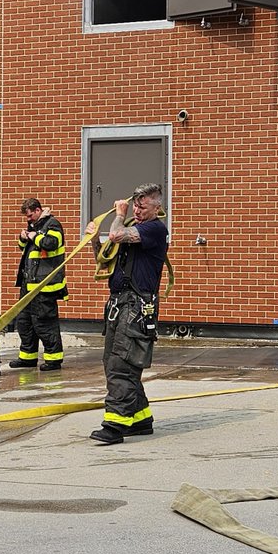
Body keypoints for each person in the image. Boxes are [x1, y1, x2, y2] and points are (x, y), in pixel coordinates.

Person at [87, 182, 169, 444]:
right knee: (114, 362)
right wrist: (92, 241)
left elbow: (116, 236)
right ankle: (140, 418)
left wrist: (120, 215)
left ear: (156, 207)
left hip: (135, 307)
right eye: (134, 204)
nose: (136, 209)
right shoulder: (133, 229)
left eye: (142, 205)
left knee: (122, 365)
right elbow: (105, 259)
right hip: (118, 304)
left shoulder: (154, 229)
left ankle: (115, 424)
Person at [10, 197, 67, 371]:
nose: (28, 219)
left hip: (44, 286)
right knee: (24, 322)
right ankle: (27, 357)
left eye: (29, 216)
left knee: (44, 323)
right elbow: (24, 248)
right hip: (29, 285)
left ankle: (53, 360)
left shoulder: (52, 224)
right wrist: (23, 237)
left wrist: (36, 236)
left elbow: (52, 243)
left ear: (37, 210)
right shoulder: (34, 226)